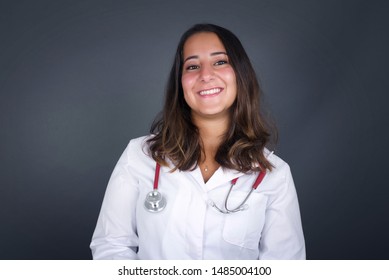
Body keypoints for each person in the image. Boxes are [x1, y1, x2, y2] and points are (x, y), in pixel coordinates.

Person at [90, 23, 305, 260]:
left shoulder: (274, 175)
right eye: (192, 66)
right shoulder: (139, 156)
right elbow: (111, 246)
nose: (205, 75)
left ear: (240, 74)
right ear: (180, 83)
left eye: (220, 62)